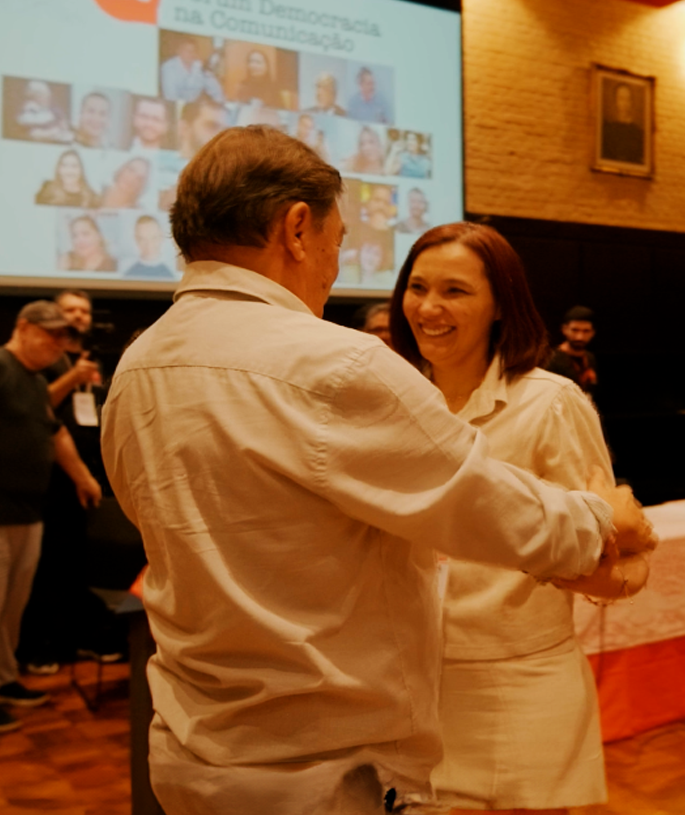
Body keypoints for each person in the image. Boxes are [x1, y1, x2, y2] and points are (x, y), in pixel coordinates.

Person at [100, 126, 655, 815]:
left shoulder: (138, 366)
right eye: (338, 241)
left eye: (455, 290)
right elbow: (483, 504)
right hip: (320, 759)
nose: (335, 268)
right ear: (296, 229)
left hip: (198, 747)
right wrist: (605, 519)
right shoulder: (334, 364)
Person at [390, 222, 651, 814]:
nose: (428, 308)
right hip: (405, 683)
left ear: (502, 304)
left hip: (516, 682)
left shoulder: (550, 402)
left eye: (455, 291)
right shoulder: (394, 398)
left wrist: (581, 564)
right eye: (417, 287)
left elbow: (619, 548)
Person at [0, 301, 102, 733]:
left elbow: (54, 431)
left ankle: (5, 679)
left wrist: (84, 478)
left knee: (12, 607)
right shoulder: (2, 368)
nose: (59, 343)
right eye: (51, 334)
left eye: (64, 336)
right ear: (24, 327)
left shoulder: (35, 380)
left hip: (28, 511)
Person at [17, 292, 121, 674]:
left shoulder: (90, 359)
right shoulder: (38, 361)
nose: (78, 317)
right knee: (46, 565)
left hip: (85, 472)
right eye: (70, 311)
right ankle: (39, 646)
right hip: (47, 479)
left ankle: (77, 637)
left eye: (83, 311)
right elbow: (37, 408)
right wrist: (72, 378)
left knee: (77, 562)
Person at [546, 305, 598, 400]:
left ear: (592, 333)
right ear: (564, 330)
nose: (580, 337)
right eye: (575, 330)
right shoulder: (551, 359)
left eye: (586, 331)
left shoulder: (590, 357)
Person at [160, 37, 224, 103]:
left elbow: (215, 89)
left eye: (193, 51)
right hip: (174, 105)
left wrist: (220, 103)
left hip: (194, 104)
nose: (191, 53)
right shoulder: (168, 67)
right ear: (179, 51)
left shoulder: (201, 67)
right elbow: (171, 97)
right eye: (187, 50)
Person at [35, 150, 101, 208]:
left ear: (81, 170)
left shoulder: (92, 198)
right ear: (58, 169)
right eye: (64, 165)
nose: (69, 171)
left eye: (74, 166)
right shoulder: (47, 190)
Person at [601, 81, 644, 165]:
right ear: (615, 101)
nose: (625, 104)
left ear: (631, 102)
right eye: (621, 99)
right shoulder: (607, 130)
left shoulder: (639, 133)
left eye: (628, 99)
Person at [124, 216, 175, 280]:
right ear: (136, 240)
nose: (149, 244)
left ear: (161, 237)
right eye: (142, 239)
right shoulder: (129, 275)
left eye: (154, 238)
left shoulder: (170, 276)